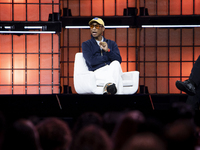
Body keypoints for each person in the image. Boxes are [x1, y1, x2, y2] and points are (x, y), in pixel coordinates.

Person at [82, 17, 123, 95]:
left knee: (115, 64)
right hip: (97, 72)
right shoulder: (86, 44)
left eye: (97, 26)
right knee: (117, 77)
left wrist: (107, 50)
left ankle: (108, 87)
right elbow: (91, 61)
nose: (93, 28)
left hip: (112, 69)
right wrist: (107, 58)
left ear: (103, 28)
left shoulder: (112, 43)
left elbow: (119, 60)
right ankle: (120, 101)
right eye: (91, 26)